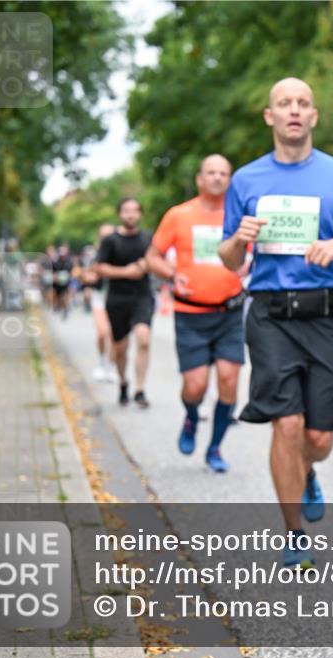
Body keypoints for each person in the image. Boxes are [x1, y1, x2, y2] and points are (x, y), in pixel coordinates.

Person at [218, 77, 333, 568]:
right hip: (269, 314)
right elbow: (227, 258)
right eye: (284, 103)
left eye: (303, 103)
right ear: (270, 116)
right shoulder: (246, 180)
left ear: (313, 116)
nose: (293, 110)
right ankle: (294, 534)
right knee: (286, 423)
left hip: (324, 314)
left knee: (317, 439)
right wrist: (239, 239)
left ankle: (307, 471)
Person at [146, 154, 246, 473]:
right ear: (199, 179)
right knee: (195, 387)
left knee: (229, 381)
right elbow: (152, 257)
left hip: (230, 312)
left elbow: (254, 254)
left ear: (229, 180)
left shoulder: (240, 216)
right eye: (211, 172)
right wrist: (171, 274)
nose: (217, 178)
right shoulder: (179, 215)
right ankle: (191, 416)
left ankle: (215, 448)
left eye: (223, 173)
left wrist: (249, 267)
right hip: (191, 313)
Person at [94, 198, 154, 409]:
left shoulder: (148, 238)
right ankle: (122, 383)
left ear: (140, 214)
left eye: (135, 210)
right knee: (121, 348)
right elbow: (99, 268)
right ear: (120, 214)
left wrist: (146, 264)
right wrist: (126, 272)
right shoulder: (110, 240)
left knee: (143, 339)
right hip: (117, 299)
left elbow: (158, 259)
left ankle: (140, 389)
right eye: (126, 210)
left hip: (142, 296)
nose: (130, 214)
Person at [84, 224, 116, 383]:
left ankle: (111, 366)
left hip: (118, 298)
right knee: (102, 333)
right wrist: (90, 279)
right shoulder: (94, 255)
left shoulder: (121, 253)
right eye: (103, 235)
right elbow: (86, 275)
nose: (106, 238)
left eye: (109, 235)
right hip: (100, 298)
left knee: (115, 335)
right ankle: (102, 362)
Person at [51, 243, 74, 320]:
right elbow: (53, 272)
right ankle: (60, 307)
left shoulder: (69, 262)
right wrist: (55, 277)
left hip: (66, 283)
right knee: (58, 297)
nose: (62, 256)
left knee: (64, 296)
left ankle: (65, 310)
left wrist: (70, 277)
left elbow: (72, 272)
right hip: (57, 283)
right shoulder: (55, 262)